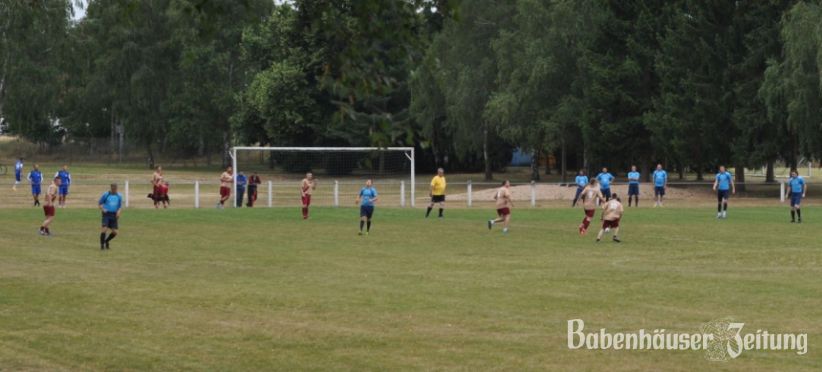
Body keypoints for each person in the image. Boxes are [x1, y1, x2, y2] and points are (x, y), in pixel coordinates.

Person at [98, 183, 124, 250]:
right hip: (106, 214)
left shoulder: (119, 196)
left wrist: (118, 212)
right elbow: (100, 203)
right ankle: (102, 246)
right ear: (111, 188)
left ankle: (106, 241)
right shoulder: (106, 194)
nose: (114, 190)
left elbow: (120, 206)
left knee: (115, 232)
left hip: (114, 215)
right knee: (104, 229)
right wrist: (103, 209)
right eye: (113, 189)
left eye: (115, 189)